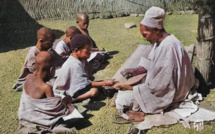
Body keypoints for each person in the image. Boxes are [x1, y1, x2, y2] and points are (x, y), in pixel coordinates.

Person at [113, 6, 195, 118]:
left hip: (170, 95)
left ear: (156, 30)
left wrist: (130, 88)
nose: (144, 39)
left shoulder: (168, 47)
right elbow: (151, 63)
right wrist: (135, 70)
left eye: (145, 34)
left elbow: (159, 87)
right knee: (125, 90)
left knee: (121, 100)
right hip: (162, 88)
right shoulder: (162, 41)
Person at [18, 51, 74, 133]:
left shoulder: (28, 78)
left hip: (25, 117)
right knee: (70, 113)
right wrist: (66, 103)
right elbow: (54, 112)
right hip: (41, 121)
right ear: (52, 69)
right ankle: (56, 129)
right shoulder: (46, 87)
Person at [53, 34, 117, 103]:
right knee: (94, 92)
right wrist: (105, 83)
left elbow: (86, 80)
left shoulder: (79, 59)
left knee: (98, 85)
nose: (89, 54)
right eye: (87, 52)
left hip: (73, 88)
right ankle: (72, 100)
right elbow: (87, 84)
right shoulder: (74, 64)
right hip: (64, 93)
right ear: (77, 51)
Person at [13, 27, 55, 91]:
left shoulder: (47, 49)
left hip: (44, 76)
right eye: (49, 43)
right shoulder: (33, 53)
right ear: (41, 41)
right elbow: (37, 73)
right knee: (52, 85)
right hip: (32, 78)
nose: (52, 45)